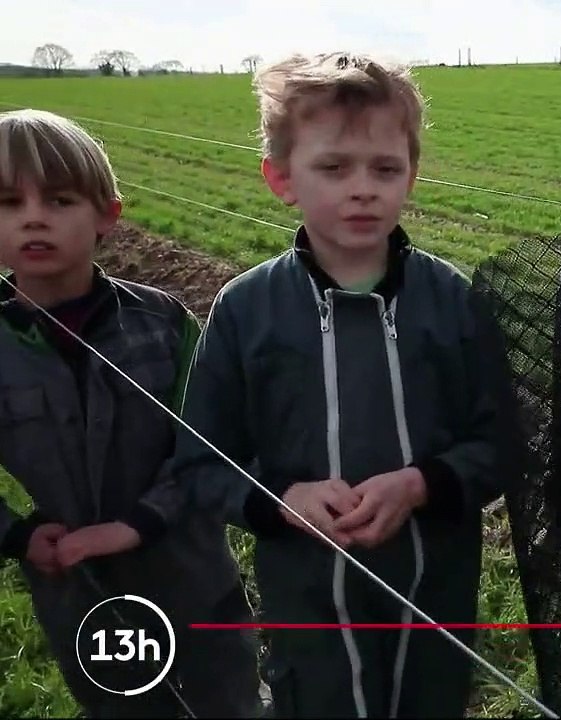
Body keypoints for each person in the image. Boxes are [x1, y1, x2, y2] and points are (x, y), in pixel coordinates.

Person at [171, 52, 519, 719]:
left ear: (411, 175)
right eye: (333, 168)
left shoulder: (453, 302)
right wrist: (281, 500)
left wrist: (421, 484)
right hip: (307, 604)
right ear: (282, 178)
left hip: (432, 595)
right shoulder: (246, 310)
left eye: (385, 169)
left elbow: (501, 443)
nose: (363, 188)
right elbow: (201, 463)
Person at [0, 108, 261, 717]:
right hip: (79, 590)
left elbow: (212, 442)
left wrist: (140, 521)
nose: (34, 217)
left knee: (228, 700)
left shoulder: (166, 324)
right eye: (9, 202)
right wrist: (19, 535)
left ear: (107, 217)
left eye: (60, 199)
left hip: (193, 578)